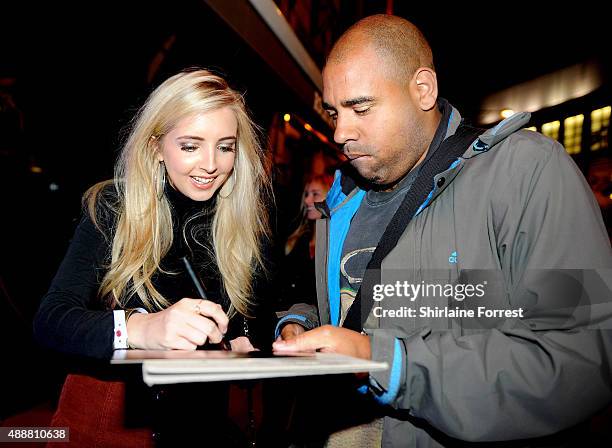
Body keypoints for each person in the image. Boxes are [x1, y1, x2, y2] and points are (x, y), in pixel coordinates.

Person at [273, 14, 612, 447]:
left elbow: (582, 352)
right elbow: (360, 306)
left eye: (361, 108)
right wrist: (301, 323)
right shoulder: (344, 196)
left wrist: (393, 366)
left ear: (423, 90)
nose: (340, 132)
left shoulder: (524, 171)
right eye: (334, 112)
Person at [33, 69, 273, 446]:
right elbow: (51, 321)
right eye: (191, 146)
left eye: (225, 147)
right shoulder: (113, 208)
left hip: (197, 429)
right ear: (156, 146)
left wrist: (245, 344)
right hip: (107, 430)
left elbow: (250, 320)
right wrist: (140, 330)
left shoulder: (238, 225)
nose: (211, 165)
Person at [277, 174, 332, 308]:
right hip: (286, 319)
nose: (307, 200)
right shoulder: (296, 240)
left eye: (315, 194)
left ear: (332, 198)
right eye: (307, 194)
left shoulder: (336, 244)